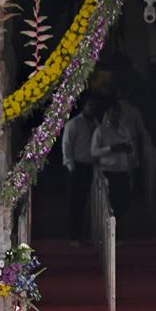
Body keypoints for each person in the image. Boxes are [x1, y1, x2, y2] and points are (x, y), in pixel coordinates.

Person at [90, 95, 137, 220]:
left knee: (125, 203)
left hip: (123, 172)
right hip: (109, 173)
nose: (115, 114)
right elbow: (94, 152)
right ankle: (115, 230)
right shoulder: (100, 131)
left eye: (118, 112)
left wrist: (127, 149)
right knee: (111, 205)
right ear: (107, 113)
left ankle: (120, 226)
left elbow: (132, 149)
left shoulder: (125, 130)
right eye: (113, 112)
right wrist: (111, 149)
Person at [61, 93, 100, 242]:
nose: (93, 108)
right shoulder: (74, 124)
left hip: (90, 165)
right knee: (75, 202)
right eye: (90, 105)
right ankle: (73, 236)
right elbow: (67, 145)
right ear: (84, 106)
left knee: (85, 202)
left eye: (94, 106)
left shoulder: (95, 123)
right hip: (76, 166)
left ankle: (84, 234)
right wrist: (71, 166)